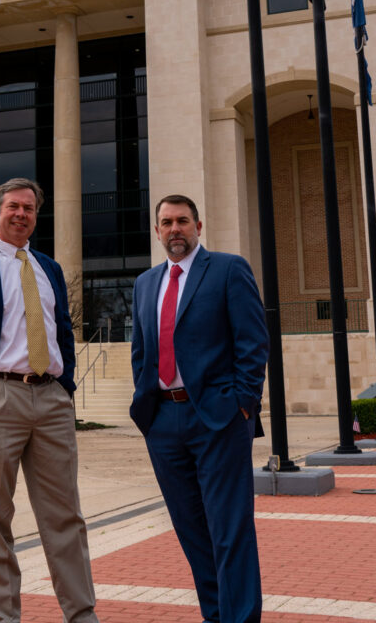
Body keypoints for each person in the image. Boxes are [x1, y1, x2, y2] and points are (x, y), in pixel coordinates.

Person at [0, 177, 99, 623]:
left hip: (51, 400)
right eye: (13, 207)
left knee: (66, 515)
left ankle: (82, 614)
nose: (21, 214)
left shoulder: (50, 268)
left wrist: (65, 388)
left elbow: (63, 330)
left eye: (29, 208)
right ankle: (3, 618)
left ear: (36, 216)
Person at [130, 195, 269, 623]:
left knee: (230, 530)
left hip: (218, 418)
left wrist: (241, 405)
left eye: (183, 221)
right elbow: (141, 351)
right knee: (192, 531)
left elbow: (253, 343)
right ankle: (216, 615)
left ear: (198, 226)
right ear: (156, 231)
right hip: (164, 422)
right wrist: (146, 410)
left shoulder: (228, 269)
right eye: (167, 222)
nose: (175, 229)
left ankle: (240, 619)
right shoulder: (145, 283)